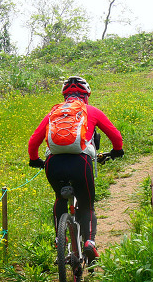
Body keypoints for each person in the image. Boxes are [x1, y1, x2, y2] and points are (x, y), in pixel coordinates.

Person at [28, 76, 124, 266]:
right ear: (86, 96)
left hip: (54, 163)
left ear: (65, 96)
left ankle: (60, 240)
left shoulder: (53, 113)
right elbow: (115, 136)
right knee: (87, 205)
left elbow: (33, 141)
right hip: (81, 162)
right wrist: (117, 151)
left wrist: (34, 160)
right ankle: (89, 242)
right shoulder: (91, 111)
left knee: (59, 198)